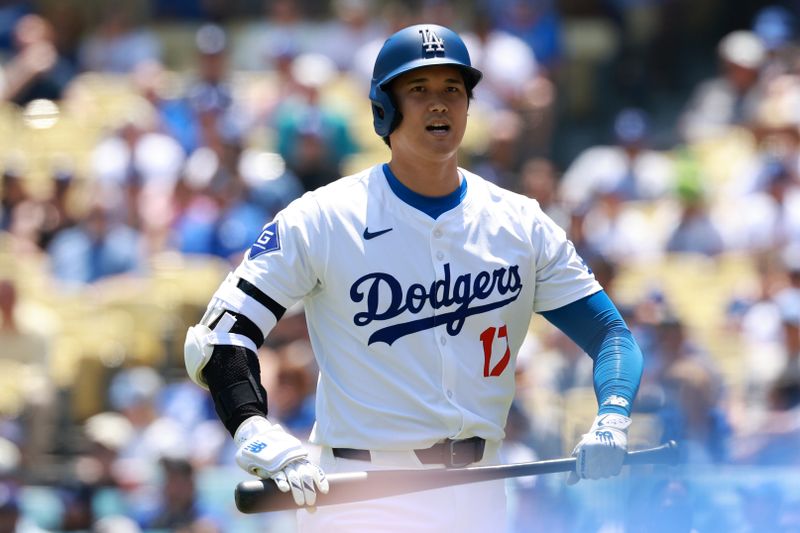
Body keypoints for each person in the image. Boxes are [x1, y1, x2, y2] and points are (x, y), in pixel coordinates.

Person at [184, 23, 644, 532]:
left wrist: (613, 415)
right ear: (385, 106)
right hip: (360, 493)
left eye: (453, 89)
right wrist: (252, 427)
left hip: (479, 490)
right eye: (418, 89)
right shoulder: (321, 217)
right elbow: (219, 336)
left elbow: (610, 335)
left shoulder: (521, 222)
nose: (439, 104)